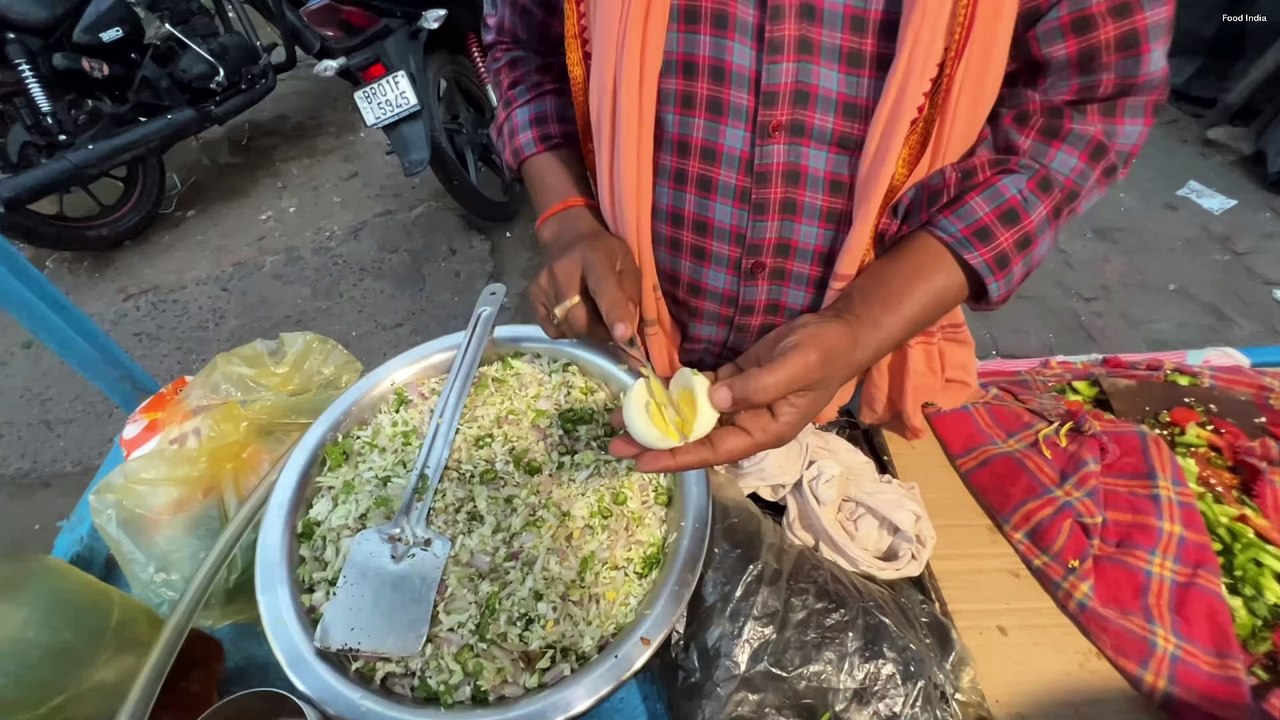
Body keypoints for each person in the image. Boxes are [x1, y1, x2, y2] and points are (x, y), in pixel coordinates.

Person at [483, 0, 1173, 473]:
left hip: (865, 365)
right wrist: (567, 215)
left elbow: (1088, 108)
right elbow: (521, 38)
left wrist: (858, 326)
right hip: (624, 341)